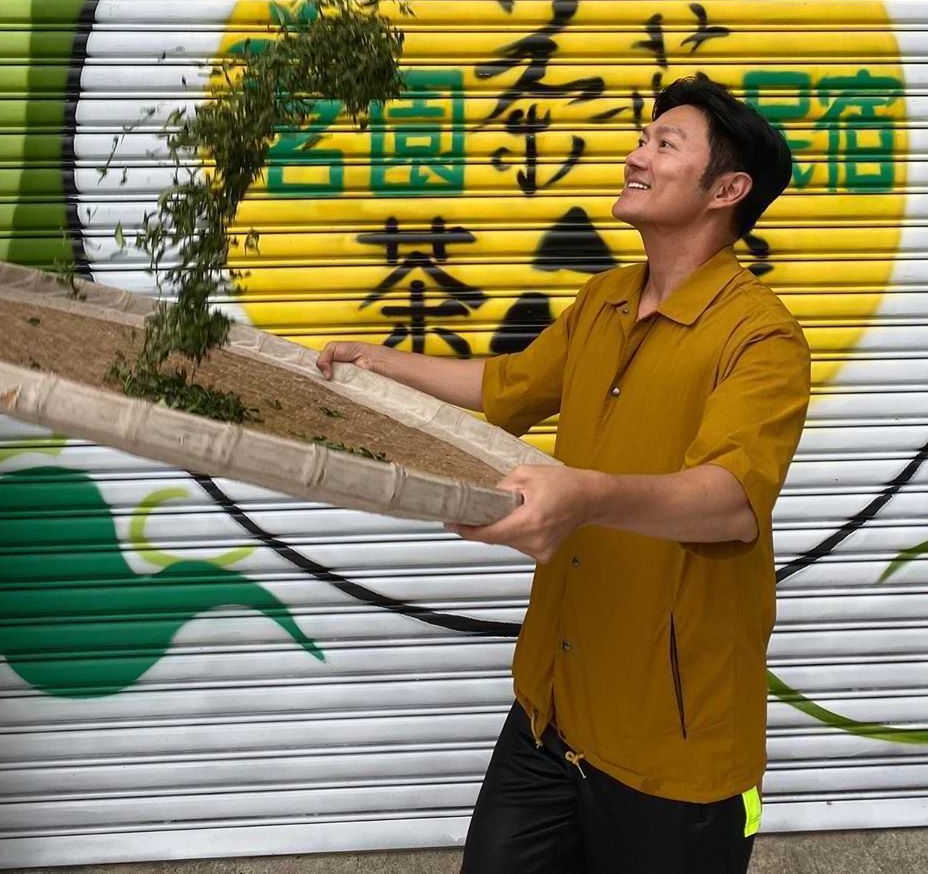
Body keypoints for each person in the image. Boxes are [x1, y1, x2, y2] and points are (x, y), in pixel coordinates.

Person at [317, 73, 810, 874]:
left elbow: (729, 502)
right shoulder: (605, 300)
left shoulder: (762, 339)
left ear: (728, 188)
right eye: (641, 139)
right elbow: (504, 385)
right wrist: (377, 363)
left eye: (662, 144)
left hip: (672, 745)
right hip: (551, 711)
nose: (634, 156)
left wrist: (581, 495)